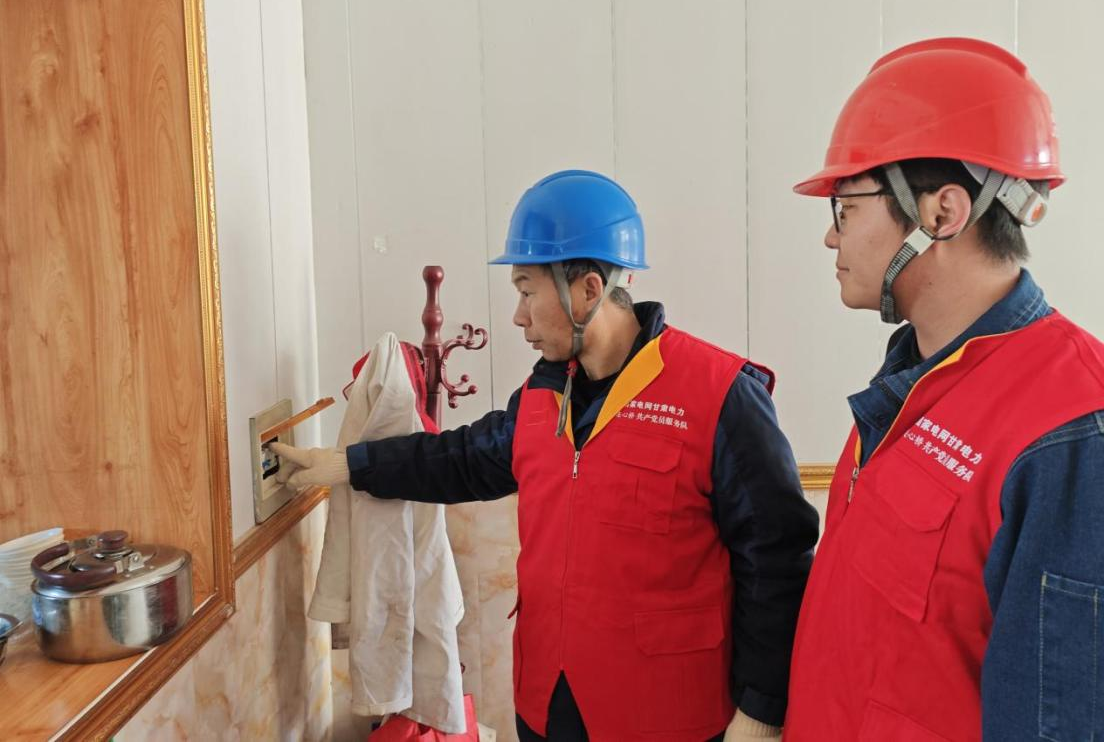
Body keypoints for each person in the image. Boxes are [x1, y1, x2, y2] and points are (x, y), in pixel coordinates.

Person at [273, 169, 818, 741]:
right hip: (551, 701)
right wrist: (351, 465)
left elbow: (776, 559)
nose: (518, 315)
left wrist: (760, 712)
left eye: (527, 291)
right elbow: (464, 458)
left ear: (588, 290)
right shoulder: (543, 392)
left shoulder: (720, 394)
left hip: (666, 712)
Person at [784, 38, 1104, 741]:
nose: (832, 239)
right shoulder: (908, 381)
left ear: (941, 214)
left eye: (845, 208)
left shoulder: (1071, 431)